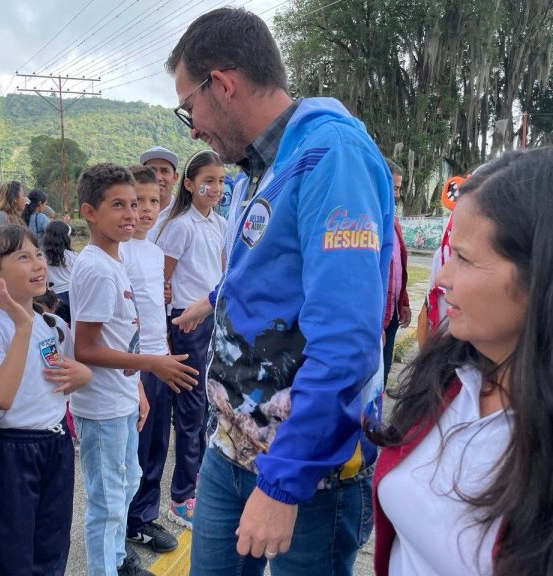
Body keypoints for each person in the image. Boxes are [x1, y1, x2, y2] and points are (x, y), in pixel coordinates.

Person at [166, 8, 393, 576]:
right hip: (231, 445)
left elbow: (346, 339)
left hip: (307, 469)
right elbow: (267, 280)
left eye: (188, 107)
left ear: (222, 83)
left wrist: (285, 481)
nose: (192, 128)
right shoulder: (255, 171)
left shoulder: (329, 154)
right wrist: (215, 298)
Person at [369, 147, 553, 576]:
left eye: (466, 259)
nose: (441, 278)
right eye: (449, 253)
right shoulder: (450, 372)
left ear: (549, 277)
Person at [68, 163, 199, 576]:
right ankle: (104, 568)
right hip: (101, 405)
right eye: (119, 205)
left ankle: (118, 559)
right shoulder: (95, 268)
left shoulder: (116, 262)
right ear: (90, 212)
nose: (131, 213)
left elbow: (123, 335)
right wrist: (152, 364)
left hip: (122, 395)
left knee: (126, 483)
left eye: (138, 203)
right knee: (107, 502)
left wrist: (138, 388)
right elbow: (85, 349)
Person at [0, 225, 91, 575]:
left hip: (56, 443)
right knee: (14, 549)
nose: (39, 264)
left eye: (38, 255)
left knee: (52, 543)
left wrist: (83, 376)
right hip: (12, 450)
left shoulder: (48, 323)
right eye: (23, 257)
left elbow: (60, 375)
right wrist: (21, 327)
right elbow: (1, 396)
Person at [155, 150, 226, 529]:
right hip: (186, 324)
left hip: (211, 320)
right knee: (190, 410)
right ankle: (181, 497)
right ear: (189, 183)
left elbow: (222, 271)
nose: (215, 188)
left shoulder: (219, 223)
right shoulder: (181, 225)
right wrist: (168, 329)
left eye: (220, 181)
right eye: (208, 180)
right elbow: (160, 280)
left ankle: (195, 482)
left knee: (204, 410)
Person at [121, 165, 185, 554]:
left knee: (158, 444)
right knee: (132, 450)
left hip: (159, 359)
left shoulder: (154, 251)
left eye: (152, 201)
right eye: (136, 201)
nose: (145, 209)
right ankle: (126, 521)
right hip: (134, 365)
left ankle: (143, 517)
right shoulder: (118, 251)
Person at [382, 159, 410, 386]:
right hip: (375, 319)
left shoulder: (394, 222)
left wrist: (404, 303)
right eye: (395, 188)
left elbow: (400, 267)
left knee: (384, 371)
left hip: (391, 315)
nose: (397, 195)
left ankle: (373, 420)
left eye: (399, 188)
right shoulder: (367, 222)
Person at [139, 145, 179, 240]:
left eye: (165, 171)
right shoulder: (130, 211)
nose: (158, 177)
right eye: (151, 171)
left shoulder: (183, 213)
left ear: (175, 177)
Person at [43, 219, 77, 325]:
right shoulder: (73, 256)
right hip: (71, 294)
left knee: (58, 327)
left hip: (52, 296)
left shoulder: (42, 257)